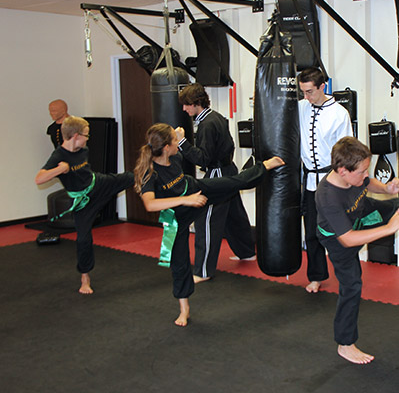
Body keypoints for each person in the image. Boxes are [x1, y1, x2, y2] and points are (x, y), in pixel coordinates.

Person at [134, 123, 284, 326]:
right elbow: (150, 204)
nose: (179, 144)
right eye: (175, 141)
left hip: (196, 190)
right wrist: (185, 200)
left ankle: (265, 166)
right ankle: (184, 309)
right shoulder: (150, 174)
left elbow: (177, 139)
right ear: (166, 147)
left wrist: (179, 134)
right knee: (179, 264)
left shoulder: (173, 156)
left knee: (234, 182)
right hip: (176, 217)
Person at [316, 137, 399, 364]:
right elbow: (348, 239)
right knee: (352, 286)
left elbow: (367, 182)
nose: (364, 175)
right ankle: (345, 344)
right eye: (360, 172)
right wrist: (389, 229)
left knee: (393, 206)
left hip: (361, 211)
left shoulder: (356, 178)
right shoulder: (327, 197)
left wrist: (387, 189)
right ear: (342, 170)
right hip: (339, 241)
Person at [35, 116, 134, 294]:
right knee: (83, 239)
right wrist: (60, 169)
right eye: (86, 135)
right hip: (82, 202)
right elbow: (39, 178)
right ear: (75, 136)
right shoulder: (59, 156)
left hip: (97, 185)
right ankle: (85, 278)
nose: (88, 138)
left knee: (129, 178)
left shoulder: (83, 149)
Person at [177, 83, 256, 284]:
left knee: (206, 219)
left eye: (186, 105)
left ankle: (203, 271)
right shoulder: (217, 117)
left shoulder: (207, 124)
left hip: (218, 172)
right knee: (234, 214)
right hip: (228, 169)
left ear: (196, 103)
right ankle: (246, 252)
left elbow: (203, 159)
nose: (184, 109)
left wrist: (182, 143)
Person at [298, 67, 353, 293]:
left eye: (310, 91)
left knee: (340, 232)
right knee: (312, 232)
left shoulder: (339, 114)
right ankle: (316, 276)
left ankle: (348, 275)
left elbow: (348, 151)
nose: (306, 97)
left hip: (333, 182)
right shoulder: (301, 107)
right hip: (310, 182)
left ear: (323, 86)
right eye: (303, 92)